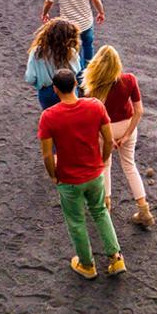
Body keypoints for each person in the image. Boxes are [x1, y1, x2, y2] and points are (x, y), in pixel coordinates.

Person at [38, 68, 127, 280]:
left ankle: (87, 265)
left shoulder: (48, 117)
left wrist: (53, 176)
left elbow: (47, 155)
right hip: (95, 174)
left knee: (76, 221)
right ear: (76, 85)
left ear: (55, 89)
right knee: (100, 212)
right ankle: (115, 258)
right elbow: (107, 138)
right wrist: (103, 161)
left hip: (68, 179)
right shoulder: (95, 106)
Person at [81, 45, 155, 228]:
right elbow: (139, 111)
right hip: (127, 126)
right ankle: (144, 210)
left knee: (105, 165)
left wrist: (108, 138)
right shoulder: (129, 80)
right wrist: (127, 134)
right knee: (130, 166)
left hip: (104, 129)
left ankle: (106, 207)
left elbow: (91, 116)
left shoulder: (93, 85)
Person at [25, 18, 83, 110]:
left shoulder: (36, 52)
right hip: (68, 90)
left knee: (51, 118)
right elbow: (77, 70)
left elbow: (30, 78)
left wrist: (40, 83)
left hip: (47, 93)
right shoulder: (71, 52)